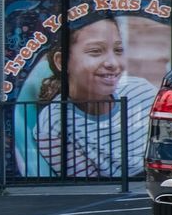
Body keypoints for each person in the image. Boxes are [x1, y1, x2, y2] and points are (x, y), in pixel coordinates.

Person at [32, 10, 156, 178]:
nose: (112, 63)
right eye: (95, 51)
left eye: (118, 50)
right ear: (62, 62)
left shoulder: (143, 91)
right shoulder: (53, 123)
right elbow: (86, 183)